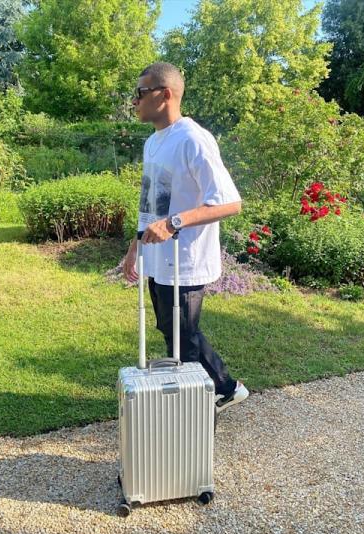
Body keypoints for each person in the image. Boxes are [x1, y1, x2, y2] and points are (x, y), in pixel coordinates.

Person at [121, 62, 249, 414]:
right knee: (171, 329)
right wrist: (135, 247)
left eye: (140, 92)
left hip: (186, 259)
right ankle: (224, 387)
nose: (135, 101)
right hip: (159, 258)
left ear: (164, 95)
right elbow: (151, 201)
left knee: (184, 341)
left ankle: (197, 419)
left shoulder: (194, 139)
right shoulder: (152, 143)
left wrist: (174, 223)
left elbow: (229, 202)